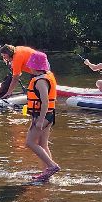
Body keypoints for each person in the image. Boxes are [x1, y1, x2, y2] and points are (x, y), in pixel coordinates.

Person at [23, 49, 60, 181]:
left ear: (35, 66)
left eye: (30, 65)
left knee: (30, 143)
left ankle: (51, 166)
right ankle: (46, 173)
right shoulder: (45, 76)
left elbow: (44, 102)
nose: (29, 67)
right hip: (48, 115)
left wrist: (40, 121)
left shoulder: (40, 81)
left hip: (42, 116)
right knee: (43, 144)